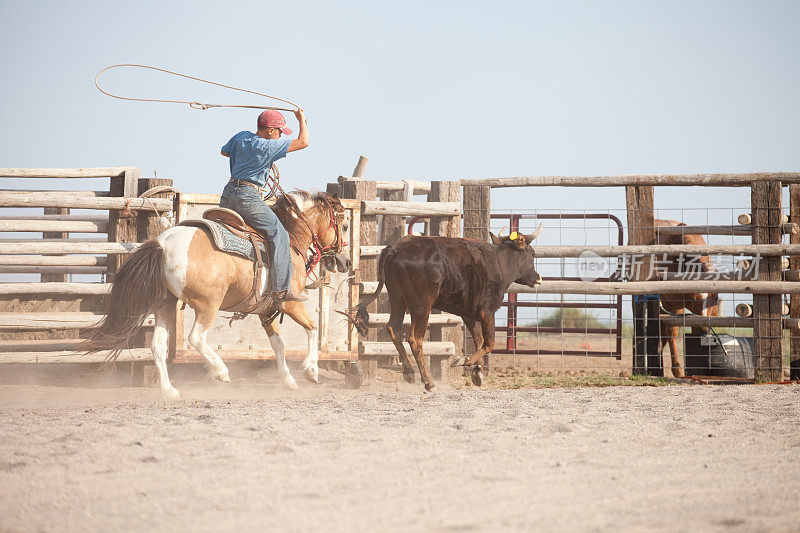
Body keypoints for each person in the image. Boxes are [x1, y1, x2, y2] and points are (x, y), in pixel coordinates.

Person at [219, 108, 309, 302]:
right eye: (279, 132)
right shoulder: (267, 147)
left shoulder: (241, 136)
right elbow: (304, 142)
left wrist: (249, 161)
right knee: (279, 234)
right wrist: (302, 119)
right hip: (248, 196)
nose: (279, 136)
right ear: (269, 130)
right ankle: (281, 289)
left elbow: (224, 151)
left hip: (228, 194)